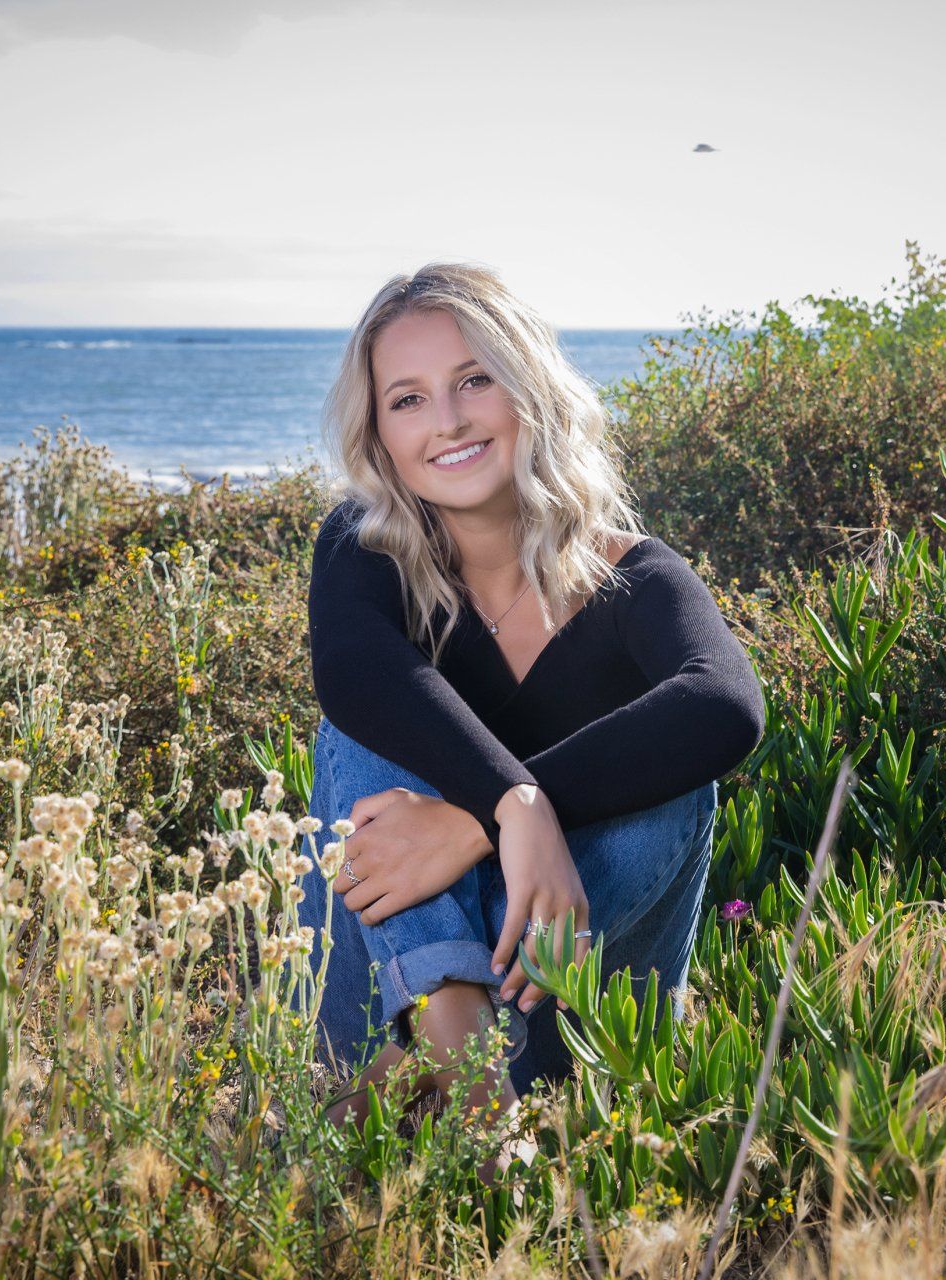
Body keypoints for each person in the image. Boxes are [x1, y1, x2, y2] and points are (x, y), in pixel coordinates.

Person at [295, 261, 764, 1166]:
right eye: (408, 399)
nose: (450, 420)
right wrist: (515, 808)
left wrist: (482, 819)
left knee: (674, 784)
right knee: (364, 730)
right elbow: (354, 676)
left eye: (476, 379)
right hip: (378, 995)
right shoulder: (364, 551)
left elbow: (724, 707)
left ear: (531, 390)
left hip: (568, 1022)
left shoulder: (635, 578)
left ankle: (440, 1058)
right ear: (379, 434)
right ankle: (455, 1043)